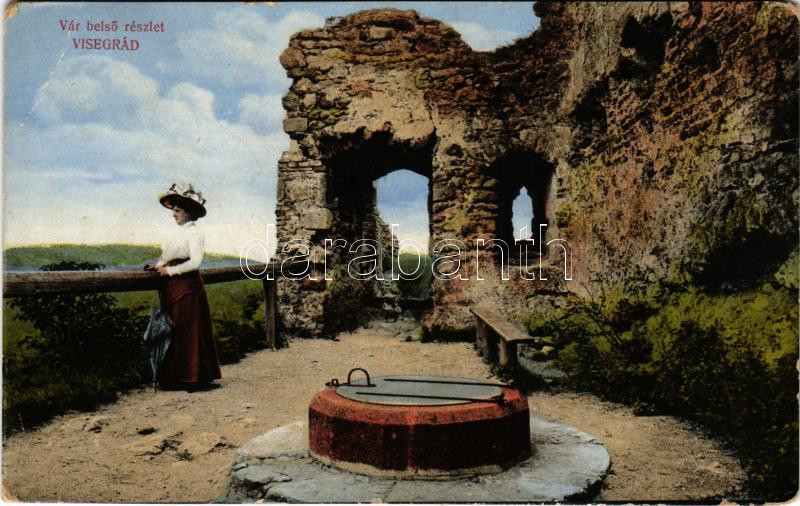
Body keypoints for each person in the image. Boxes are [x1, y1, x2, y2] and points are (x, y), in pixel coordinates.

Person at [145, 184, 221, 390]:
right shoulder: (178, 233)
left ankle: (193, 377)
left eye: (177, 211)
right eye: (174, 211)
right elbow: (168, 257)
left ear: (188, 213)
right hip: (173, 287)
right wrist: (158, 266)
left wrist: (169, 271)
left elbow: (195, 262)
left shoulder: (194, 233)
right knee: (175, 328)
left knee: (188, 329)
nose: (174, 215)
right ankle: (176, 377)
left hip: (188, 287)